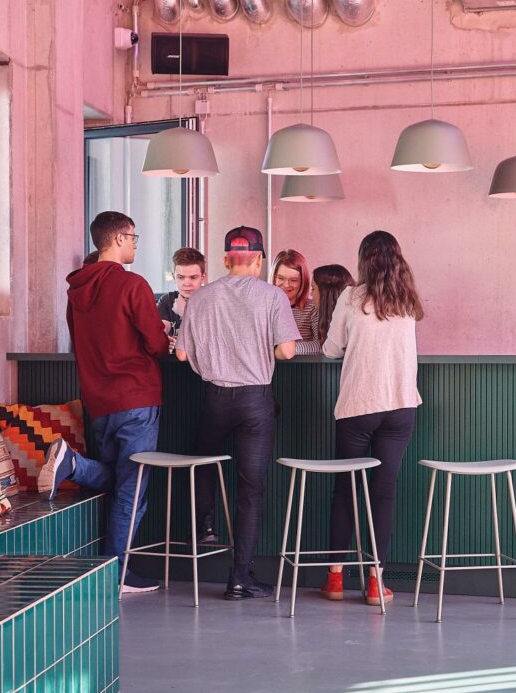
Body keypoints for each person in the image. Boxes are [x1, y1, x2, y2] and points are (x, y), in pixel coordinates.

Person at [40, 211, 168, 595]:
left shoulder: (76, 291)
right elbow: (157, 345)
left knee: (120, 477)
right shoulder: (133, 284)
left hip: (99, 400)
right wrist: (163, 335)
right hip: (136, 397)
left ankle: (73, 464)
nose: (135, 244)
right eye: (133, 238)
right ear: (117, 239)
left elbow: (79, 341)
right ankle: (117, 574)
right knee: (134, 485)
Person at [177, 226, 300, 600]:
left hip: (215, 397)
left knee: (203, 464)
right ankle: (239, 577)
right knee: (250, 489)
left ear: (226, 259)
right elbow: (288, 352)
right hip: (254, 401)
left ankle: (206, 525)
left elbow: (182, 354)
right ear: (260, 260)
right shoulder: (272, 295)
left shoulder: (201, 297)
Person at [320, 231, 424, 606]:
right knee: (382, 493)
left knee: (346, 490)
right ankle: (377, 583)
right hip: (400, 407)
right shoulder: (407, 301)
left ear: (363, 259)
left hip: (359, 405)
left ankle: (334, 579)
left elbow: (332, 350)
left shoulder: (350, 297)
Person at [295, 264, 354, 355]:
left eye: (313, 289)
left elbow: (326, 347)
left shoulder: (348, 317)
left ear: (325, 292)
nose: (311, 294)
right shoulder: (326, 315)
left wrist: (291, 349)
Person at [156, 247, 208, 334]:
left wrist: (184, 315)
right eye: (180, 277)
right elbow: (161, 331)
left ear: (202, 278)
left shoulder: (213, 301)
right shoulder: (167, 301)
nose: (186, 283)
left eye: (193, 277)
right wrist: (164, 340)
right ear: (174, 277)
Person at [272, 249, 317, 343]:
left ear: (303, 281)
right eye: (280, 278)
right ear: (273, 277)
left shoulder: (312, 308)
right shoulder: (263, 307)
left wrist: (286, 350)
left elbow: (320, 345)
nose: (286, 285)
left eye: (293, 280)